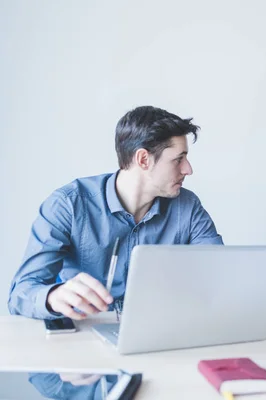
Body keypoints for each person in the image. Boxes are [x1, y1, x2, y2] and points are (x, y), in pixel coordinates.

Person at [8, 106, 223, 320]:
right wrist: (52, 297)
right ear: (143, 160)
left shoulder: (188, 206)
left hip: (160, 331)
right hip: (84, 335)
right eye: (178, 159)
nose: (188, 169)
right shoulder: (68, 205)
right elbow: (20, 295)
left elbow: (219, 276)